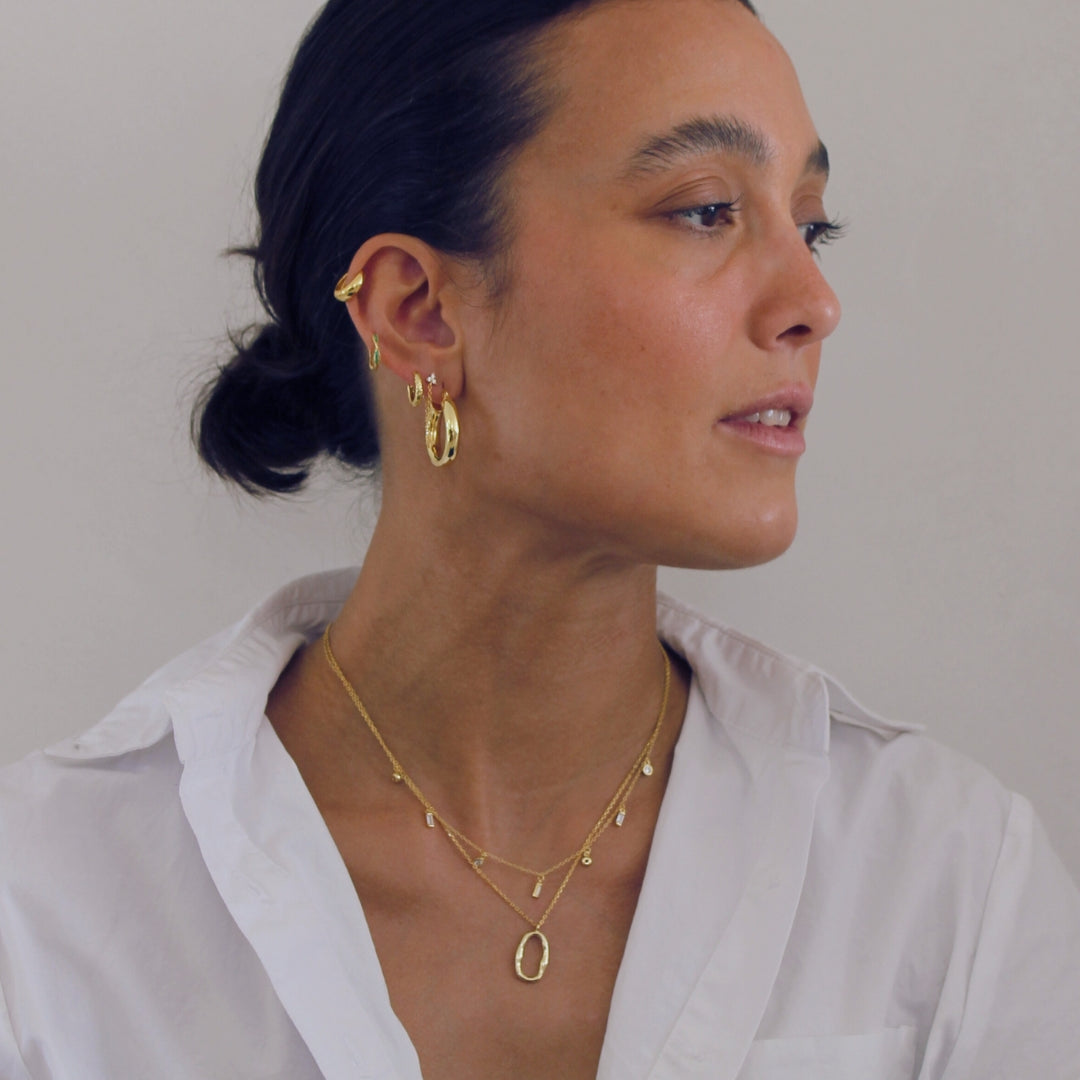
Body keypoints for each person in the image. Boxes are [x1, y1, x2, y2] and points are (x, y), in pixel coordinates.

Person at [1, 0, 1078, 1077]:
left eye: (812, 223)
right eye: (707, 211)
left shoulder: (945, 881)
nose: (814, 301)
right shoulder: (45, 915)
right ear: (417, 311)